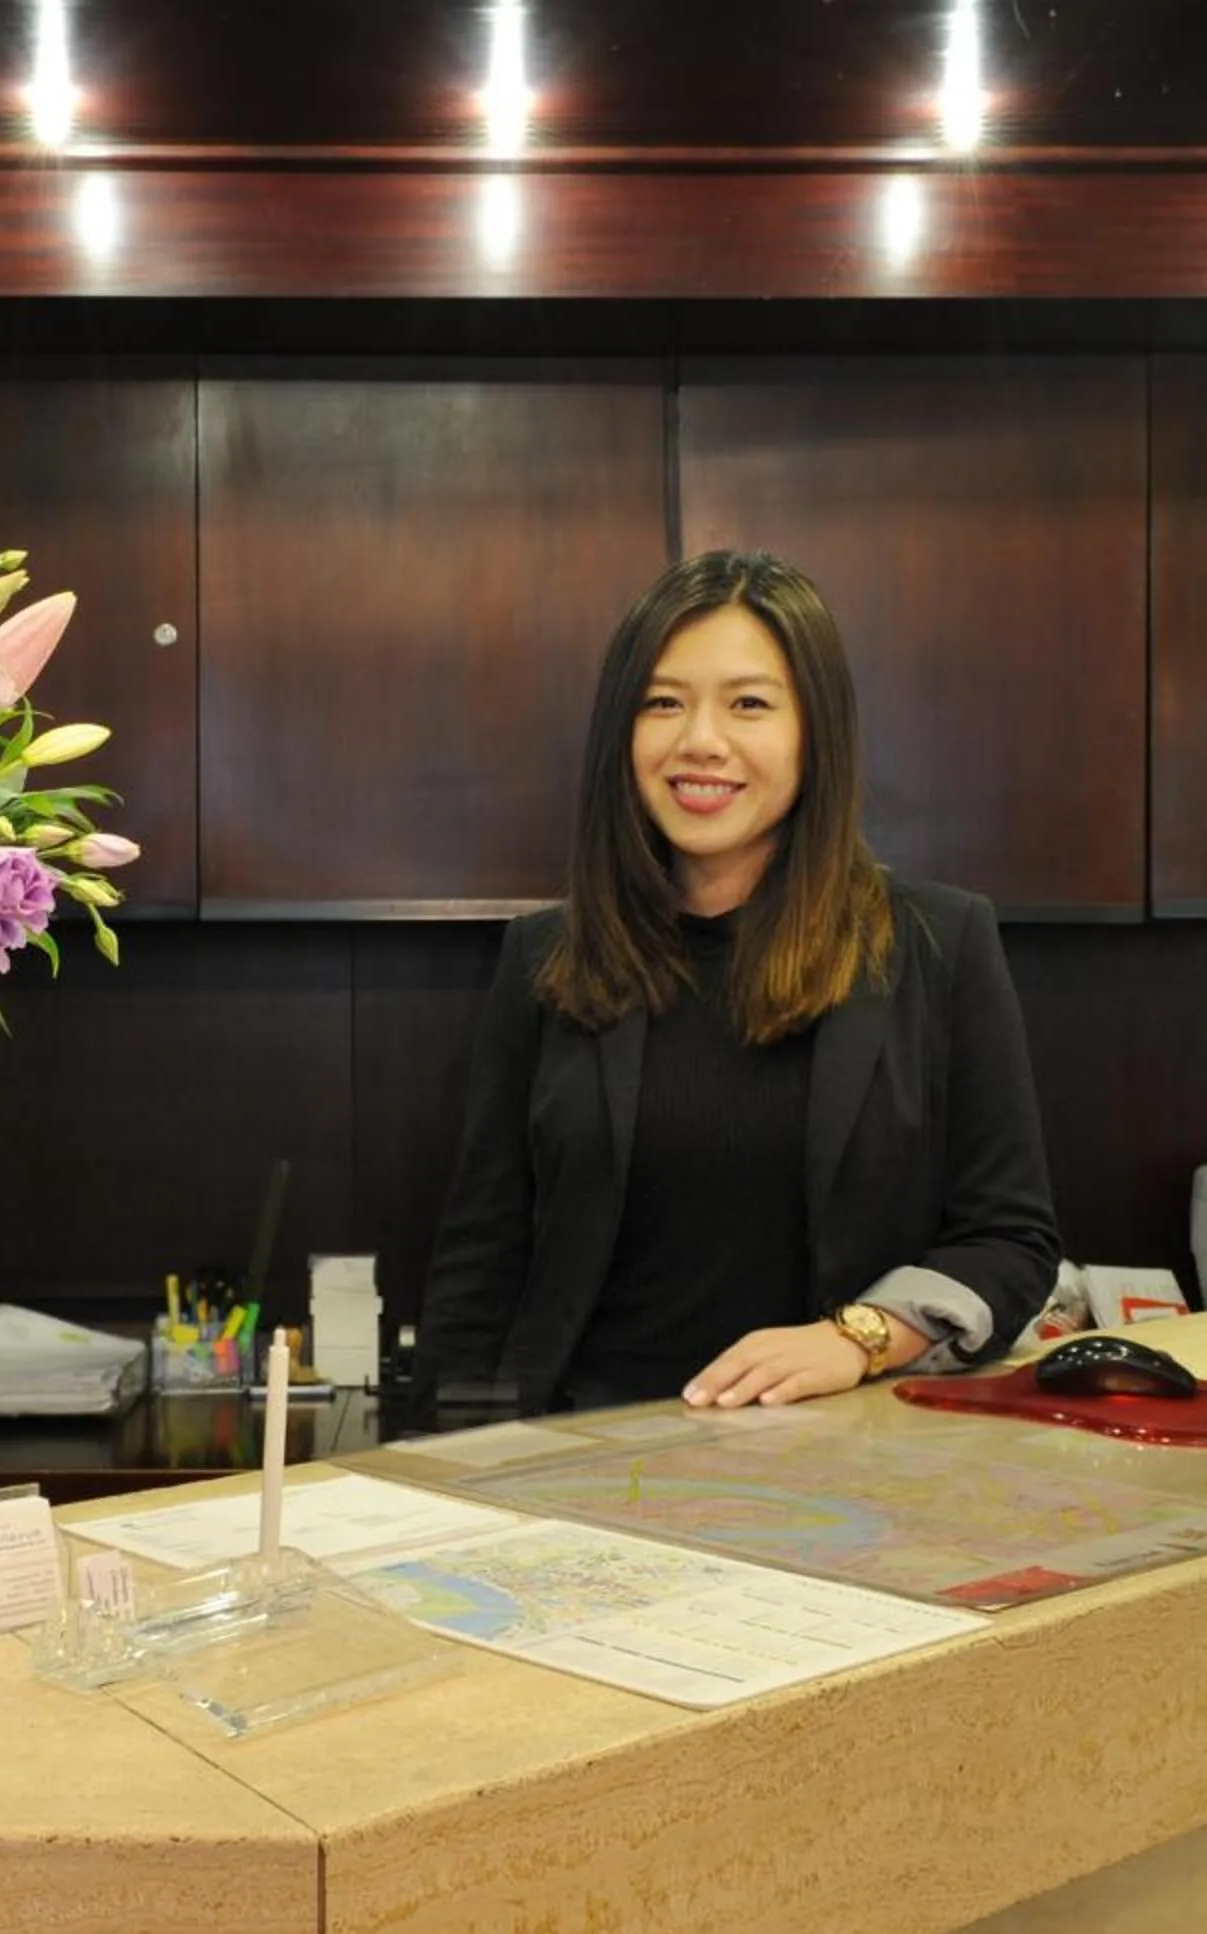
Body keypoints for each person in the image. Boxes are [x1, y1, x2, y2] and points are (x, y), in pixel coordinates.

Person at [421, 549, 1062, 1417]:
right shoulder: (547, 956)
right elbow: (480, 1261)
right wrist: (451, 1472)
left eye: (750, 703)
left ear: (816, 732)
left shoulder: (937, 943)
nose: (701, 742)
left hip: (842, 1475)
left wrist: (857, 1336)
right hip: (578, 1469)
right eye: (662, 703)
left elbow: (1010, 1242)